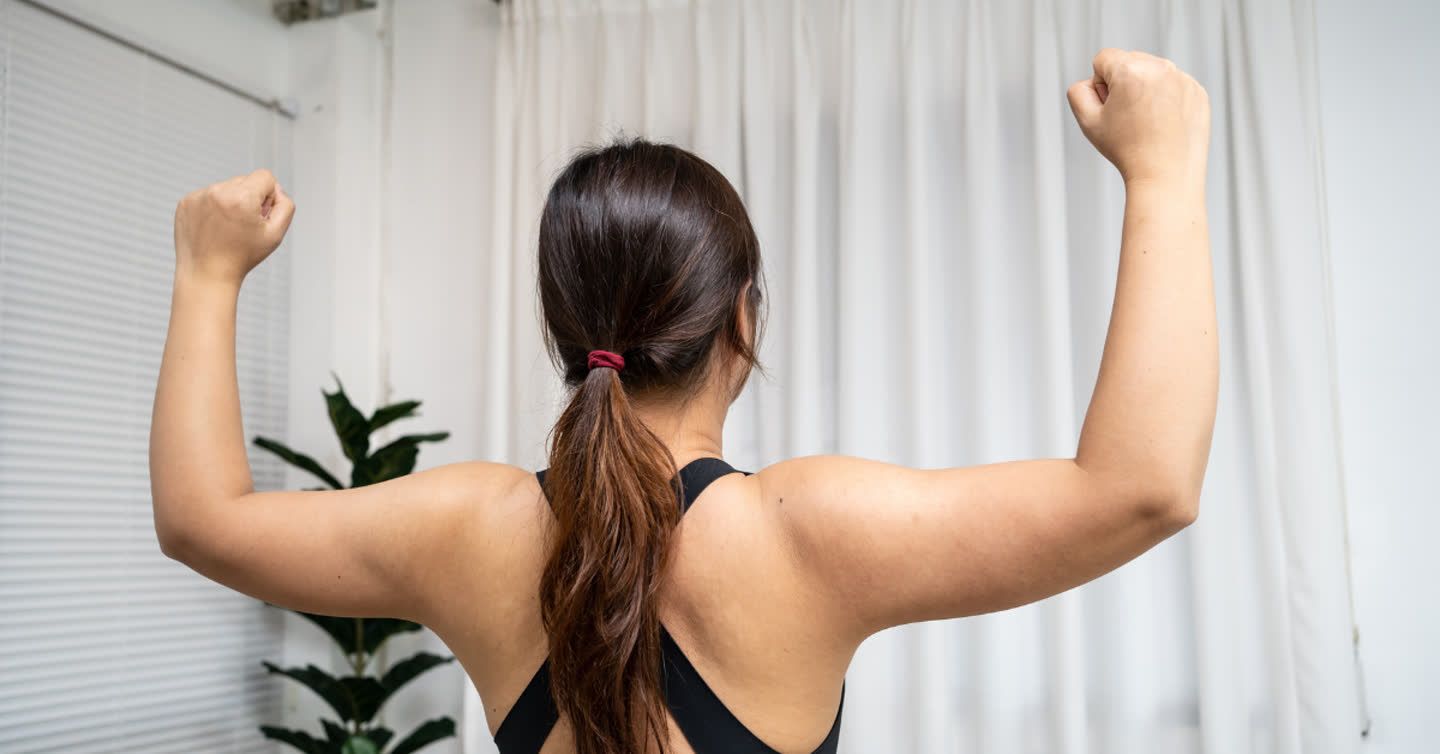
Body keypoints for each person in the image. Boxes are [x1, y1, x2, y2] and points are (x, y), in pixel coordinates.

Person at [150, 48, 1216, 754]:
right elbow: (1141, 487)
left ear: (567, 331)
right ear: (742, 321)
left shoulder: (468, 528)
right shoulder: (806, 533)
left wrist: (207, 272)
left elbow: (203, 521)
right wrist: (1162, 172)